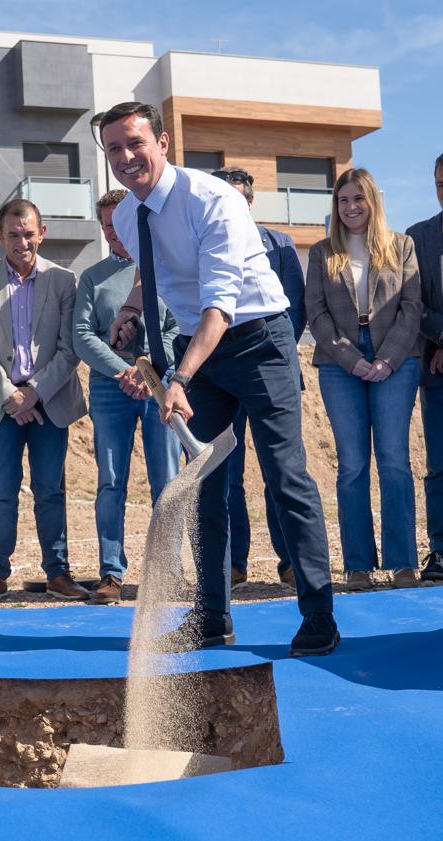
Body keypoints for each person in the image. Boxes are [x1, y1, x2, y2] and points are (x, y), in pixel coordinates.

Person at [102, 101, 337, 657]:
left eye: (135, 143)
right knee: (205, 485)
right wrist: (131, 312)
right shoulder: (127, 215)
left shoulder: (213, 199)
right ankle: (212, 618)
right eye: (114, 148)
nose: (126, 156)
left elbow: (220, 306)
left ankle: (319, 615)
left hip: (259, 341)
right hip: (199, 351)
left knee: (285, 476)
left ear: (162, 143)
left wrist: (178, 377)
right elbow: (154, 272)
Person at [0, 198, 89, 605]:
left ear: (42, 233)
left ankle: (58, 573)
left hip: (49, 401)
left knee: (50, 490)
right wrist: (11, 396)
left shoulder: (64, 280)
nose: (23, 242)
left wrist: (34, 393)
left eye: (29, 233)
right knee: (3, 491)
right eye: (13, 235)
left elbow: (70, 348)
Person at [306, 168, 422, 590]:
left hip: (397, 358)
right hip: (340, 364)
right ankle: (357, 565)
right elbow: (316, 313)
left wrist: (387, 359)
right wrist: (350, 358)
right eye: (343, 200)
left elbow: (412, 307)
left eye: (358, 198)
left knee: (394, 460)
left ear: (373, 201)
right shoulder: (322, 252)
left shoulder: (402, 246)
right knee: (352, 465)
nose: (351, 207)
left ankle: (403, 562)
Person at [73, 188, 181, 604]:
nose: (114, 233)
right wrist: (123, 371)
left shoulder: (165, 269)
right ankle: (111, 573)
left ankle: (167, 572)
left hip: (161, 384)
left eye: (120, 223)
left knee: (166, 480)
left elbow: (177, 327)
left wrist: (148, 368)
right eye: (107, 226)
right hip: (109, 386)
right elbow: (82, 335)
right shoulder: (92, 277)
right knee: (111, 481)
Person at [211, 167, 306, 590]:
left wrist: (273, 358)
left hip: (271, 368)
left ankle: (291, 562)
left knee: (280, 470)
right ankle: (235, 563)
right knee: (228, 472)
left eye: (238, 197)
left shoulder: (280, 244)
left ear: (249, 202)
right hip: (219, 375)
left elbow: (293, 310)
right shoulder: (204, 243)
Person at [406, 153, 443, 583]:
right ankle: (442, 550)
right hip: (437, 368)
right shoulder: (418, 238)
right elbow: (413, 303)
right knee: (440, 467)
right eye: (439, 183)